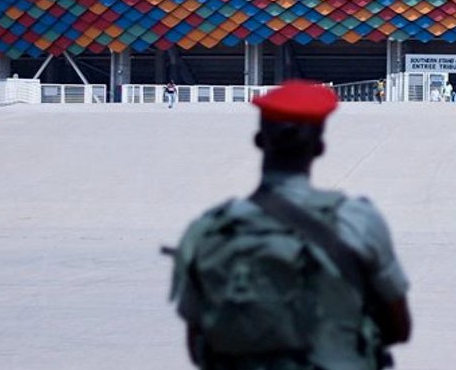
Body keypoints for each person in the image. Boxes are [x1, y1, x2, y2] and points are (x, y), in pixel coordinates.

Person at [170, 81, 412, 370]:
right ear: (320, 146)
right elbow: (399, 328)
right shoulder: (358, 221)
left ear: (260, 140)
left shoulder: (212, 230)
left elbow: (197, 343)